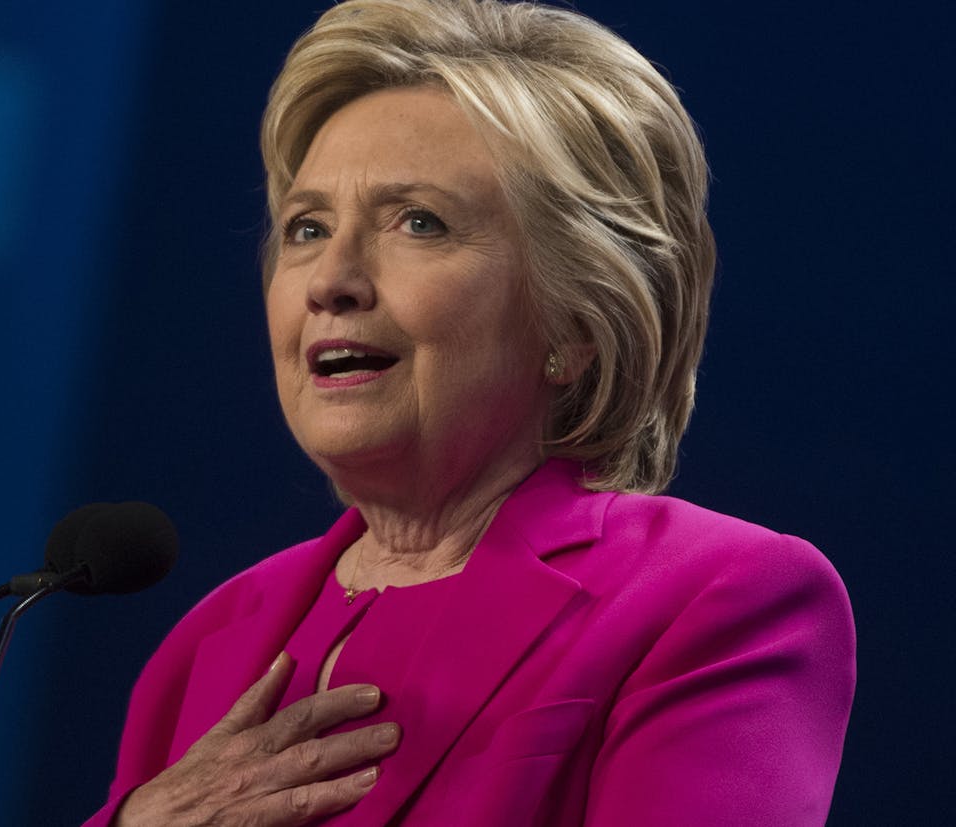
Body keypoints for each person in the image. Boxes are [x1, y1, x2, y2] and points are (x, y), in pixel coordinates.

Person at [86, 0, 855, 824]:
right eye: (306, 227)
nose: (329, 280)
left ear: (576, 322)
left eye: (420, 222)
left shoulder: (716, 597)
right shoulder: (210, 640)